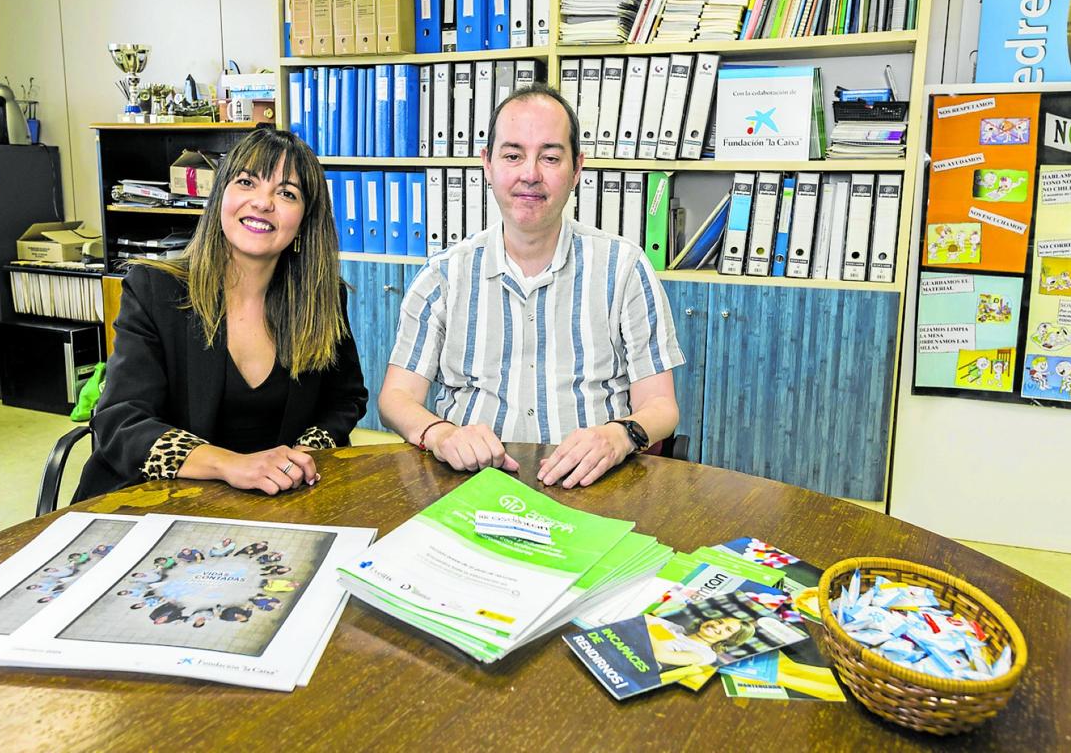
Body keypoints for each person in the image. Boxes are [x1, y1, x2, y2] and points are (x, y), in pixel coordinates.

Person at [378, 85, 682, 488]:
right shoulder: (443, 275)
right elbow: (395, 399)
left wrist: (619, 435)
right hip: (470, 484)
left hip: (593, 485)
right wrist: (443, 434)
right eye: (513, 155)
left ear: (577, 170)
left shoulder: (624, 269)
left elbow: (661, 405)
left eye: (551, 157)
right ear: (488, 164)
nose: (530, 174)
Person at [74, 127, 367, 500]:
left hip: (272, 503)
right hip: (156, 499)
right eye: (246, 182)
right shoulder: (154, 290)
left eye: (287, 193)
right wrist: (231, 465)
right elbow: (121, 420)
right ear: (220, 197)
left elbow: (344, 399)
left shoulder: (322, 299)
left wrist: (302, 455)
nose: (263, 203)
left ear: (305, 222)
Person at [648, 615, 756, 669]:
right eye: (719, 621)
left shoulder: (707, 654)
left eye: (728, 629)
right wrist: (653, 629)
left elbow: (661, 655)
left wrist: (652, 630)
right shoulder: (677, 629)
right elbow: (642, 618)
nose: (717, 625)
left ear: (732, 639)